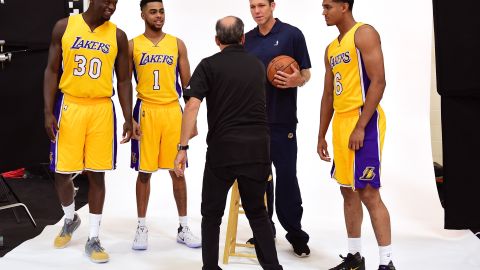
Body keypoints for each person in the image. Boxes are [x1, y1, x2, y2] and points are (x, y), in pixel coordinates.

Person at [174, 16, 283, 270]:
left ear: (217, 40)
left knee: (211, 216)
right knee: (258, 213)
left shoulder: (208, 65)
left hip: (223, 151)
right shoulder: (257, 65)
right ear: (243, 38)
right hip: (258, 150)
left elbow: (191, 106)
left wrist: (182, 147)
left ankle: (210, 268)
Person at [43, 0, 133, 263]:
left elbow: (125, 80)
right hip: (70, 105)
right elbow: (51, 70)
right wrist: (48, 111)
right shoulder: (64, 27)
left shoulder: (118, 35)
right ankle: (70, 219)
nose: (111, 6)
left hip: (101, 108)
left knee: (97, 174)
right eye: (107, 1)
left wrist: (128, 117)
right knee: (62, 172)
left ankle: (93, 237)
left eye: (115, 2)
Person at [318, 1, 395, 269]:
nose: (323, 11)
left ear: (344, 6)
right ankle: (354, 258)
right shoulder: (331, 49)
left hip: (364, 118)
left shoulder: (364, 34)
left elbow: (379, 81)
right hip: (340, 121)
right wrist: (321, 134)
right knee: (347, 191)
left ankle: (387, 263)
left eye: (328, 6)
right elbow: (328, 94)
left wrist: (361, 126)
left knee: (368, 192)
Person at [128, 0, 200, 250]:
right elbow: (124, 84)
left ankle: (183, 227)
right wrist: (130, 117)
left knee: (178, 171)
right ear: (142, 15)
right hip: (145, 110)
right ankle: (141, 227)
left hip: (172, 111)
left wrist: (193, 120)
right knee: (144, 172)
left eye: (161, 11)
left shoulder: (176, 43)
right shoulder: (132, 45)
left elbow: (189, 85)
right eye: (153, 12)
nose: (158, 16)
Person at [245, 0, 312, 257]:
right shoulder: (246, 40)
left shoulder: (291, 34)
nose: (257, 11)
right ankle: (265, 231)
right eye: (252, 6)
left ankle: (295, 234)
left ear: (273, 5)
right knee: (259, 180)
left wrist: (299, 80)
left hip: (283, 120)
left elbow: (306, 73)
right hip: (253, 123)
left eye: (261, 5)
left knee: (286, 179)